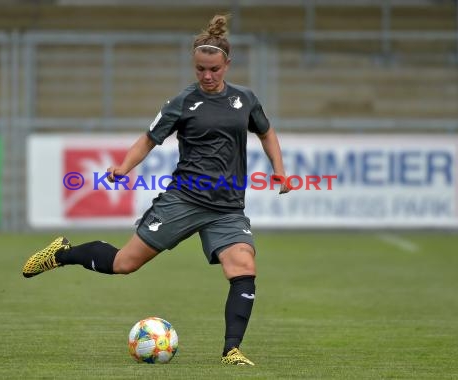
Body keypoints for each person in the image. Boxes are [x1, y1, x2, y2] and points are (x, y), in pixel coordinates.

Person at [22, 14, 290, 366]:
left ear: (227, 64)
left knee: (243, 267)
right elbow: (149, 140)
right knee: (124, 263)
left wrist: (280, 172)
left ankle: (231, 350)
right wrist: (123, 167)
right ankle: (62, 253)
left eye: (214, 69)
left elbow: (266, 132)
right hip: (183, 200)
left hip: (227, 207)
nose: (207, 76)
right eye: (200, 69)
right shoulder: (182, 102)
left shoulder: (246, 99)